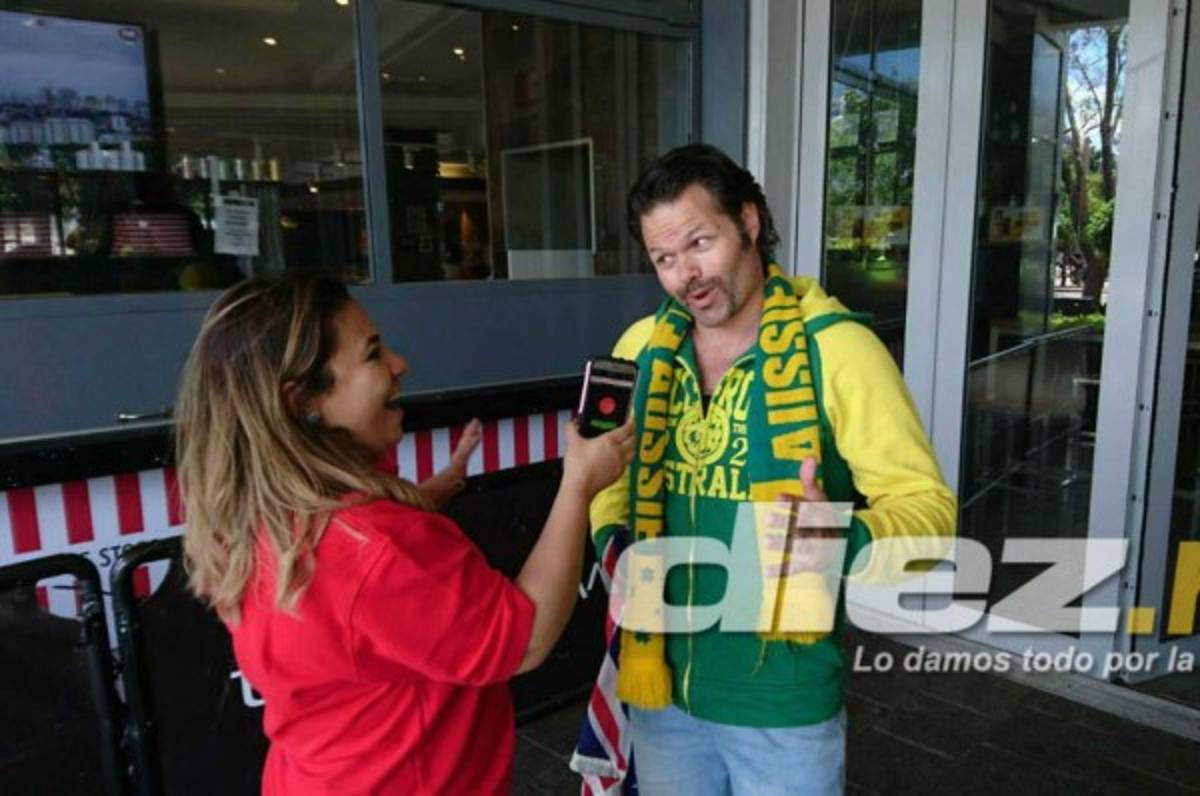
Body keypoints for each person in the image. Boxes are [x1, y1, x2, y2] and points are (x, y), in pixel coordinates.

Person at [587, 144, 956, 794]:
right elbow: (608, 482)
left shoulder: (838, 350)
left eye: (700, 242)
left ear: (750, 223)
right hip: (660, 686)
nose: (685, 276)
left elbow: (929, 516)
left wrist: (841, 539)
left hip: (781, 704)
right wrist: (610, 541)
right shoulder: (641, 347)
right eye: (663, 258)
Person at [175, 270, 633, 794]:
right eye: (372, 355)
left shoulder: (262, 516)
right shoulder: (374, 549)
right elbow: (523, 640)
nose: (399, 364)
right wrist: (578, 485)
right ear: (302, 400)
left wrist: (424, 497)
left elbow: (355, 613)